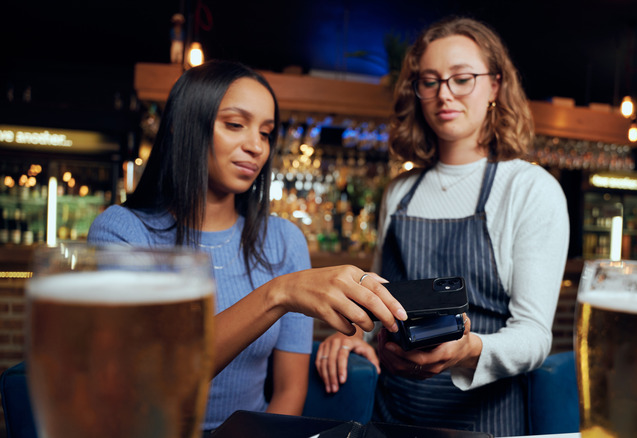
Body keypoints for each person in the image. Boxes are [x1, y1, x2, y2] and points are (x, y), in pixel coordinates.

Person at [87, 60, 407, 434]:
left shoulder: (284, 240)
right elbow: (154, 379)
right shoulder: (122, 233)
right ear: (182, 125)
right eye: (235, 124)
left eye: (267, 132)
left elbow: (290, 391)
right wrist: (279, 293)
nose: (256, 146)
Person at [315, 16, 569, 436]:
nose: (443, 94)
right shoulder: (400, 193)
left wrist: (468, 349)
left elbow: (535, 337)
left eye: (461, 78)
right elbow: (382, 309)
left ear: (495, 85)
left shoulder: (529, 188)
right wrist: (357, 341)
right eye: (429, 81)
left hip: (484, 420)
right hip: (391, 413)